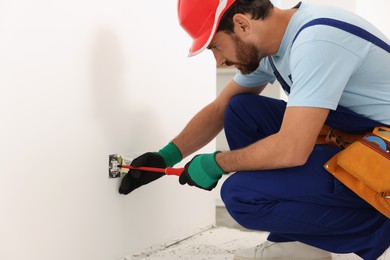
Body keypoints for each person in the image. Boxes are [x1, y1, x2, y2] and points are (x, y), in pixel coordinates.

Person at [119, 0, 390, 259]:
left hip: (381, 157)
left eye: (215, 47)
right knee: (240, 111)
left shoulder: (318, 41)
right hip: (364, 139)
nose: (218, 61)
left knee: (242, 195)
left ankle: (380, 235)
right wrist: (165, 157)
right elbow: (219, 110)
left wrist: (217, 163)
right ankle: (300, 241)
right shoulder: (275, 45)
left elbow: (291, 150)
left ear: (242, 24)